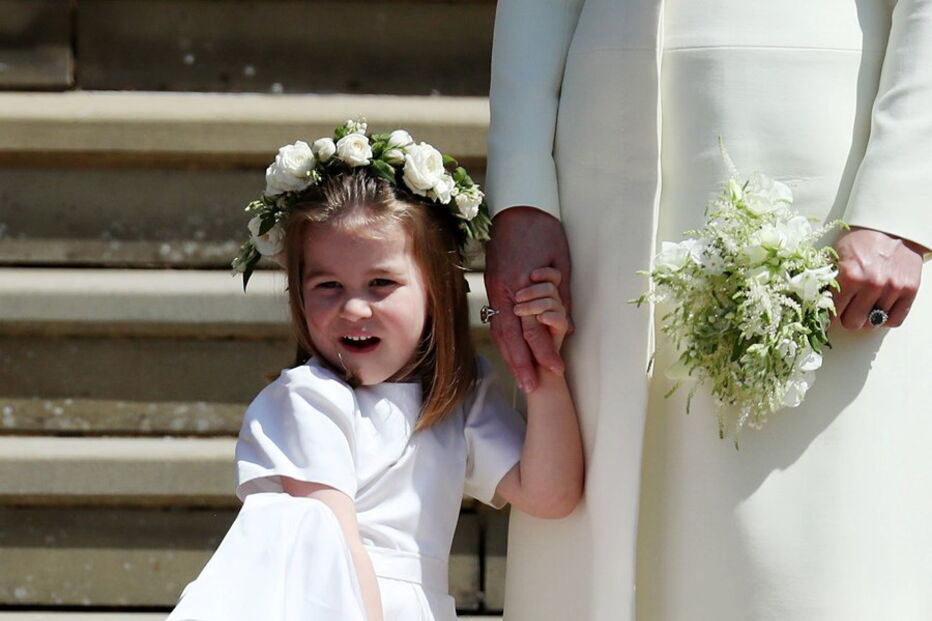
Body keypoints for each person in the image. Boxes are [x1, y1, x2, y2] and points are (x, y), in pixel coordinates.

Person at [485, 1, 931, 620]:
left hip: (825, 161)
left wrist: (900, 201)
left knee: (813, 543)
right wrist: (522, 195)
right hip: (600, 159)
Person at [167, 124, 583, 621]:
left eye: (381, 283)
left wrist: (544, 368)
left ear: (436, 289)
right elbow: (334, 557)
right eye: (328, 286)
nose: (354, 308)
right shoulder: (307, 399)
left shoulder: (455, 397)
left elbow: (550, 495)